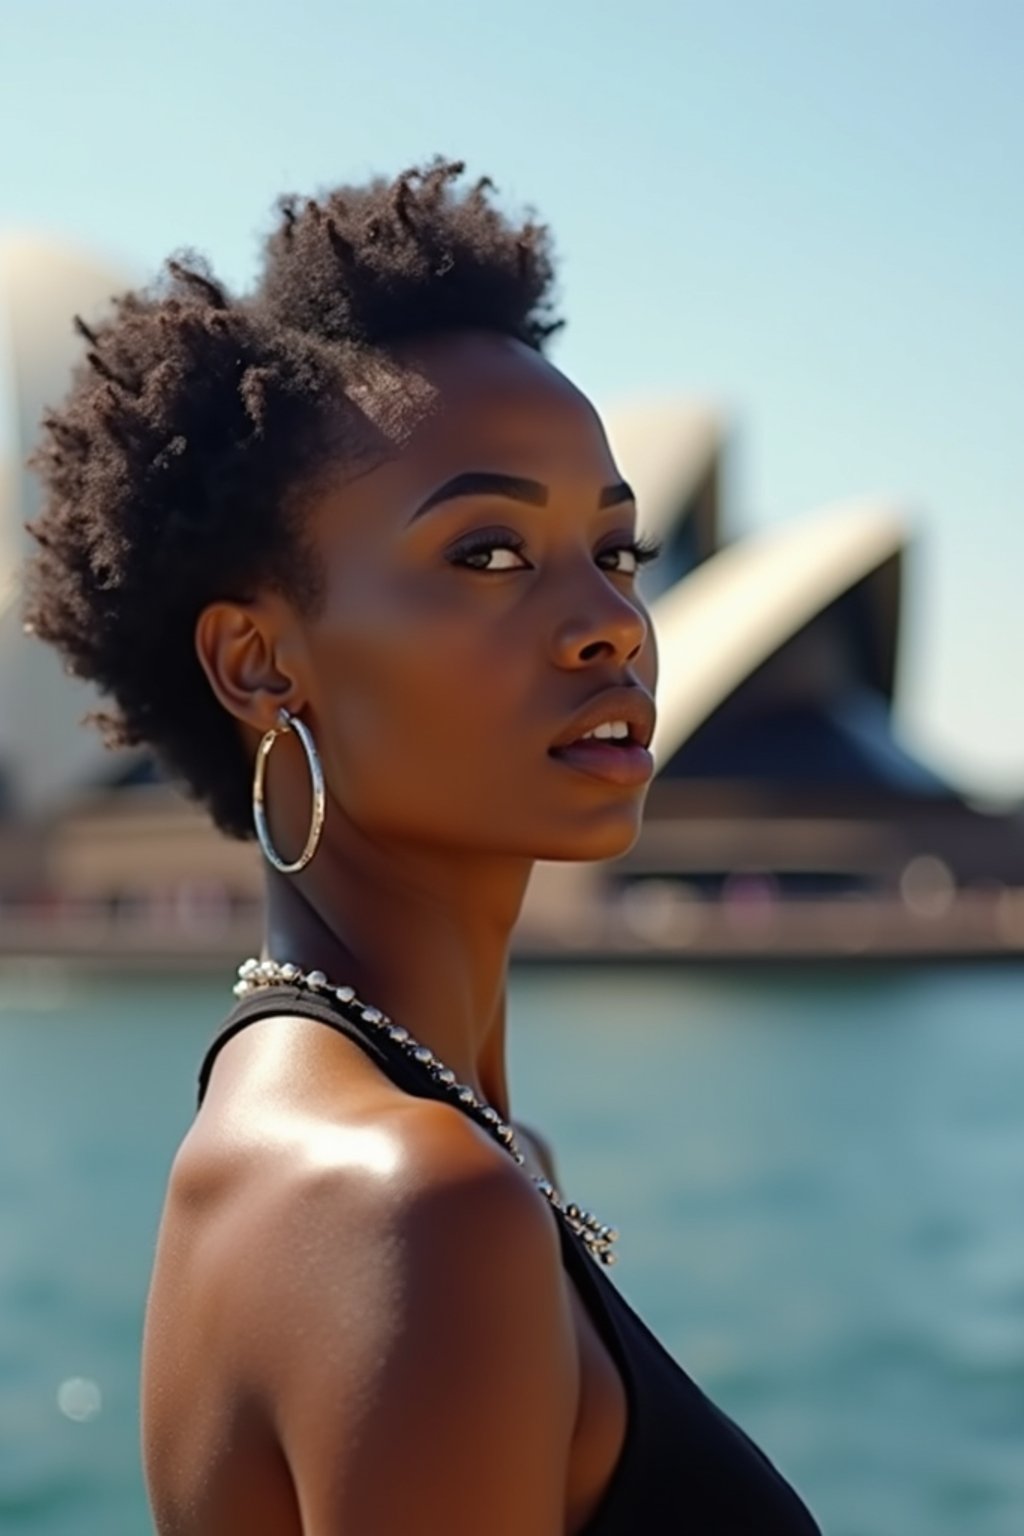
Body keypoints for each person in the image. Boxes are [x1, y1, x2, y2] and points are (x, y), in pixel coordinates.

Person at [23, 157, 823, 1535]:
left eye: (619, 551)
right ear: (262, 660)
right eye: (490, 554)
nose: (611, 623)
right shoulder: (410, 1204)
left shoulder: (431, 1153)